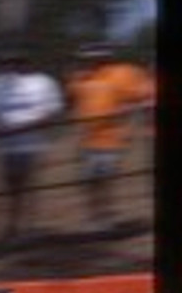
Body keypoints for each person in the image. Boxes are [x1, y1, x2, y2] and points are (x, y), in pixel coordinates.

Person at [0, 50, 65, 243]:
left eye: (16, 62)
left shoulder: (42, 82)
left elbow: (52, 111)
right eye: (5, 62)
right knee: (9, 188)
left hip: (31, 145)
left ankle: (29, 228)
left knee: (29, 187)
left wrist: (23, 127)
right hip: (3, 147)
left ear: (26, 62)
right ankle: (8, 229)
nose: (11, 67)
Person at [66, 42, 155, 232]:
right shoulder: (80, 78)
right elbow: (74, 104)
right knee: (88, 181)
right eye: (88, 57)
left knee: (105, 180)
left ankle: (106, 218)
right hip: (87, 140)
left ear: (107, 56)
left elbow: (141, 100)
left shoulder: (122, 73)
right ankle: (93, 218)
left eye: (97, 56)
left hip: (111, 139)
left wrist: (129, 128)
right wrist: (75, 133)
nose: (92, 60)